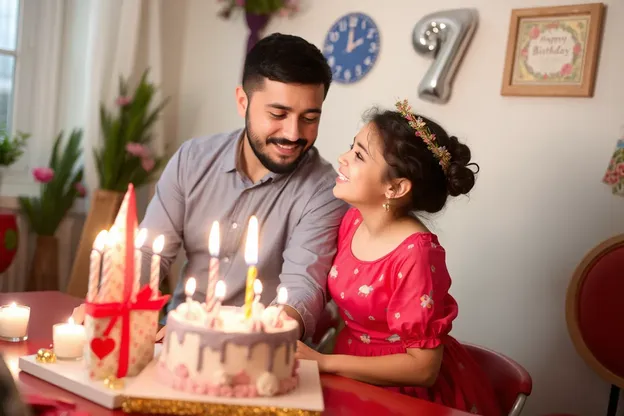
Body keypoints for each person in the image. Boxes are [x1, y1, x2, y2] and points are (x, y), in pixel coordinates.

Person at [73, 33, 348, 342]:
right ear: (243, 101)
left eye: (310, 118)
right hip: (175, 338)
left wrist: (263, 337)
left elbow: (302, 288)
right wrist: (111, 301)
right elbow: (150, 252)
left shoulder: (326, 191)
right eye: (278, 114)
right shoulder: (192, 160)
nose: (293, 133)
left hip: (261, 350)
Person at [295, 100, 501, 415]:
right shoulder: (352, 222)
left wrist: (324, 362)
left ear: (395, 187)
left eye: (359, 155)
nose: (343, 158)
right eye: (353, 147)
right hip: (350, 369)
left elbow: (423, 369)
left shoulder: (416, 254)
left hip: (402, 390)